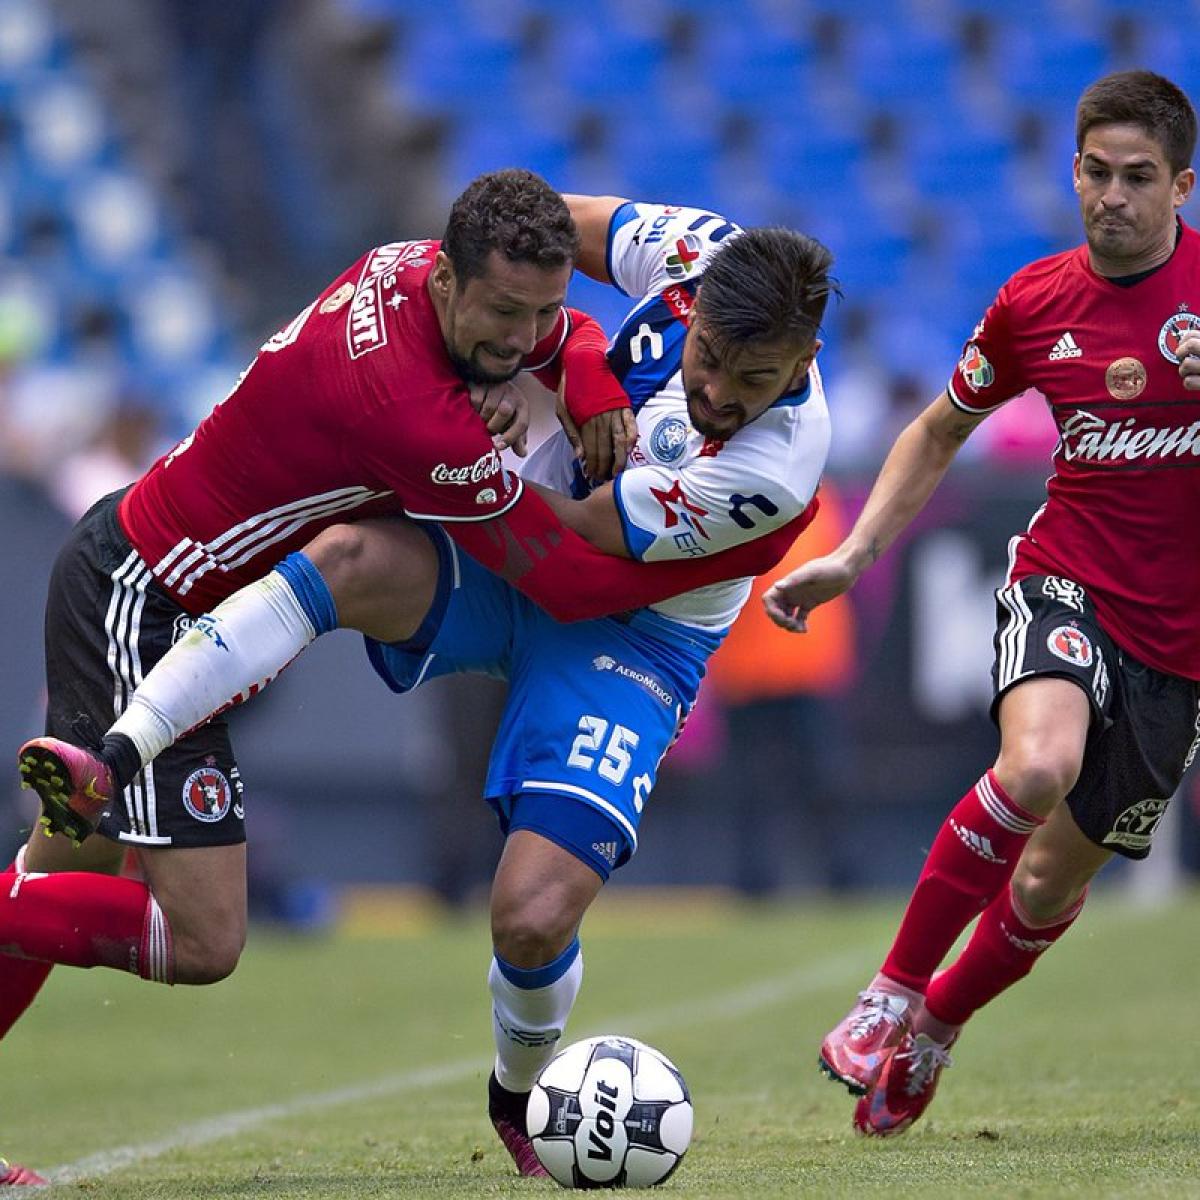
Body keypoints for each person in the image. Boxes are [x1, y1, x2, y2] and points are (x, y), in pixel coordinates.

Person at [1, 170, 810, 1180]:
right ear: (452, 285)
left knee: (51, 885)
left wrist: (587, 372)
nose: (525, 339)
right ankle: (104, 773)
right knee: (198, 938)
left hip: (165, 586)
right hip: (148, 601)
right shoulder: (415, 412)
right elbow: (555, 573)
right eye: (507, 315)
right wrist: (525, 430)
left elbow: (556, 338)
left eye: (544, 311)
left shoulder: (420, 275)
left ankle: (94, 786)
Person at [764, 69, 1200, 1137]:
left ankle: (935, 1030)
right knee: (1036, 764)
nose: (1111, 196)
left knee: (1050, 886)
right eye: (1094, 172)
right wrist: (856, 556)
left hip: (1180, 650)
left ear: (1183, 186)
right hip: (1068, 579)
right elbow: (935, 430)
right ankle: (889, 995)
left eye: (1137, 178)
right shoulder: (1034, 301)